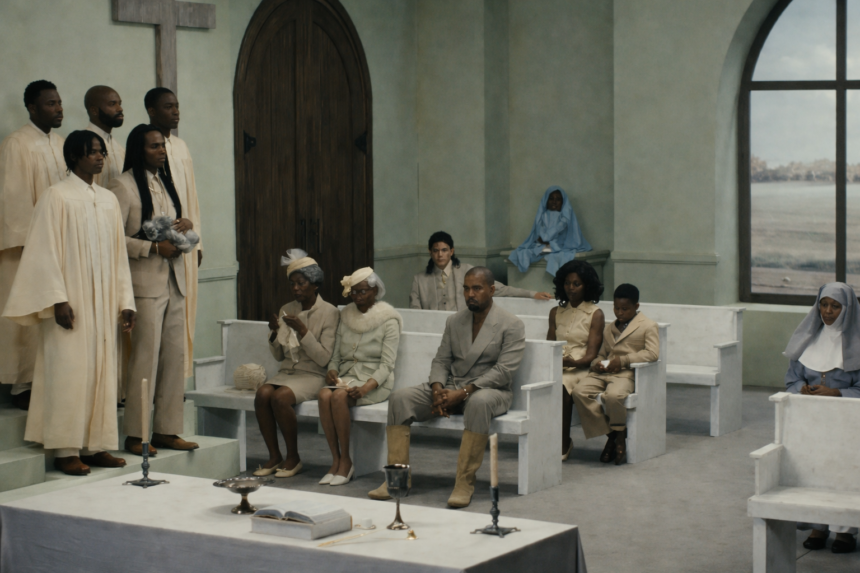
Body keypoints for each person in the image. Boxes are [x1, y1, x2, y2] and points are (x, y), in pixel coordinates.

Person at [2, 130, 136, 475]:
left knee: (101, 371)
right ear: (74, 156)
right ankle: (66, 449)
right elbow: (42, 251)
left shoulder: (107, 200)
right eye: (92, 152)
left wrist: (125, 300)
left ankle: (95, 445)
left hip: (104, 302)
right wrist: (57, 299)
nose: (100, 157)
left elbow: (118, 256)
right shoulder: (56, 196)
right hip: (71, 301)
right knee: (69, 373)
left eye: (102, 152)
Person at [370, 267, 525, 508]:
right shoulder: (455, 321)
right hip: (452, 386)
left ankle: (464, 483)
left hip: (490, 391)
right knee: (400, 399)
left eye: (477, 288)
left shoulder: (511, 324)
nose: (470, 294)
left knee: (478, 403)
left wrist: (463, 393)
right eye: (466, 288)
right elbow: (442, 360)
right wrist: (437, 390)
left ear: (492, 290)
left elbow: (504, 371)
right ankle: (397, 479)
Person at [107, 124, 197, 456]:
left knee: (174, 357)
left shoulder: (165, 182)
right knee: (145, 360)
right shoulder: (123, 185)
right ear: (138, 149)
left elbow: (170, 225)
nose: (161, 151)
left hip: (174, 280)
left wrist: (185, 225)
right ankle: (136, 434)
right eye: (154, 146)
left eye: (163, 146)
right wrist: (153, 248)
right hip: (145, 284)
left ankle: (167, 430)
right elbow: (114, 238)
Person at [0, 80, 66, 410]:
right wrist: (33, 245)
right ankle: (22, 384)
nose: (59, 109)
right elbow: (13, 198)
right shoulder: (17, 143)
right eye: (51, 103)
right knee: (27, 314)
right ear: (32, 107)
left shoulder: (62, 144)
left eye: (59, 103)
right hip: (29, 248)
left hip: (60, 245)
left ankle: (47, 379)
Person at [783, 282, 860, 554]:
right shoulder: (807, 340)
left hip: (848, 424)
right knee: (812, 469)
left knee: (843, 472)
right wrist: (801, 389)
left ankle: (844, 531)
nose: (828, 311)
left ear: (847, 310)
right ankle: (817, 526)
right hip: (812, 423)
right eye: (823, 305)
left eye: (835, 306)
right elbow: (792, 380)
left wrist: (837, 392)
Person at [252, 249, 339, 478]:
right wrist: (273, 333)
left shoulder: (330, 312)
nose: (296, 289)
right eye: (292, 284)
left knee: (280, 398)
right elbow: (280, 356)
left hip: (313, 375)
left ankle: (293, 457)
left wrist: (303, 331)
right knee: (262, 394)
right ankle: (274, 456)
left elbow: (324, 358)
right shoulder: (287, 309)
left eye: (301, 283)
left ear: (315, 284)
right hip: (287, 372)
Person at [319, 268, 402, 486]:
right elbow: (336, 356)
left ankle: (346, 461)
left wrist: (365, 388)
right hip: (348, 377)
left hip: (375, 382)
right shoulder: (346, 315)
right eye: (354, 292)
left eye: (363, 291)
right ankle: (335, 460)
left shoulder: (389, 319)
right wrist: (332, 371)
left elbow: (387, 365)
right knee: (324, 395)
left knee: (338, 397)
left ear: (375, 290)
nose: (357, 296)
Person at [145, 87, 202, 380]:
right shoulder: (147, 144)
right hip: (160, 246)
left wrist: (197, 241)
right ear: (152, 111)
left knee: (184, 311)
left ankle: (177, 378)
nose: (176, 111)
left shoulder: (180, 146)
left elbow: (191, 195)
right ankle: (155, 380)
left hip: (186, 240)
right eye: (168, 107)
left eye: (177, 106)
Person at [571, 283, 658, 466]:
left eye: (625, 309)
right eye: (616, 308)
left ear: (636, 306)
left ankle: (616, 438)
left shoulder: (648, 325)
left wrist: (624, 360)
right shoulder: (610, 328)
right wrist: (596, 363)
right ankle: (614, 434)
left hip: (625, 373)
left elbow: (652, 353)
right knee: (578, 392)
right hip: (603, 372)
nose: (620, 313)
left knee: (614, 396)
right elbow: (602, 354)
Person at [547, 260, 605, 461]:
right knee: (537, 386)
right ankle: (543, 439)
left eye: (576, 284)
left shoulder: (595, 314)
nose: (570, 288)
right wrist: (554, 361)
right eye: (567, 283)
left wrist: (573, 363)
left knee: (562, 387)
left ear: (587, 285)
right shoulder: (556, 312)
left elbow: (591, 354)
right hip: (557, 362)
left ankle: (564, 442)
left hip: (580, 367)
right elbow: (549, 344)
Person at [410, 231, 552, 310]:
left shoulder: (468, 271)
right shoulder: (419, 280)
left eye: (444, 250)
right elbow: (414, 313)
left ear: (451, 251)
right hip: (431, 330)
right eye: (436, 250)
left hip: (464, 328)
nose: (440, 255)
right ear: (430, 252)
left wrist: (532, 294)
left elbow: (500, 289)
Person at [508, 186, 591, 277]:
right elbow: (539, 232)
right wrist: (543, 239)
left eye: (558, 199)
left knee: (549, 251)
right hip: (544, 245)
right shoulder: (543, 216)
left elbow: (558, 230)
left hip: (559, 246)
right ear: (546, 200)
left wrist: (545, 238)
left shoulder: (565, 218)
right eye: (551, 198)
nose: (554, 201)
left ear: (563, 202)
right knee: (526, 252)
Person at [84, 86, 125, 187]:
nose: (120, 109)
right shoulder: (82, 144)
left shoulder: (119, 147)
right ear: (94, 110)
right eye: (112, 104)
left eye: (119, 104)